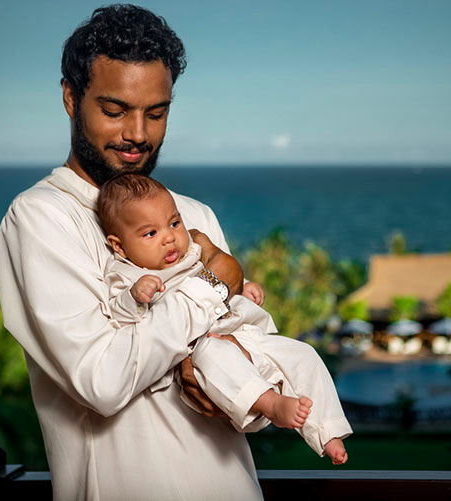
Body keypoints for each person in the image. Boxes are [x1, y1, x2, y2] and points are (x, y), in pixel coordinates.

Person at [0, 5, 263, 499]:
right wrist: (211, 287)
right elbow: (103, 381)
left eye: (156, 112)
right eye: (115, 110)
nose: (138, 134)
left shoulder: (193, 216)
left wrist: (228, 374)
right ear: (71, 98)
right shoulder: (38, 218)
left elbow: (259, 382)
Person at [97, 173, 352, 463]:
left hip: (244, 333)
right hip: (203, 347)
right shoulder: (126, 274)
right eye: (150, 234)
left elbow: (223, 282)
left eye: (174, 223)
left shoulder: (192, 253)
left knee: (302, 354)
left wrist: (244, 287)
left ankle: (327, 431)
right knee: (217, 356)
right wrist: (134, 296)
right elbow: (118, 314)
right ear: (119, 246)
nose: (169, 237)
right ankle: (270, 403)